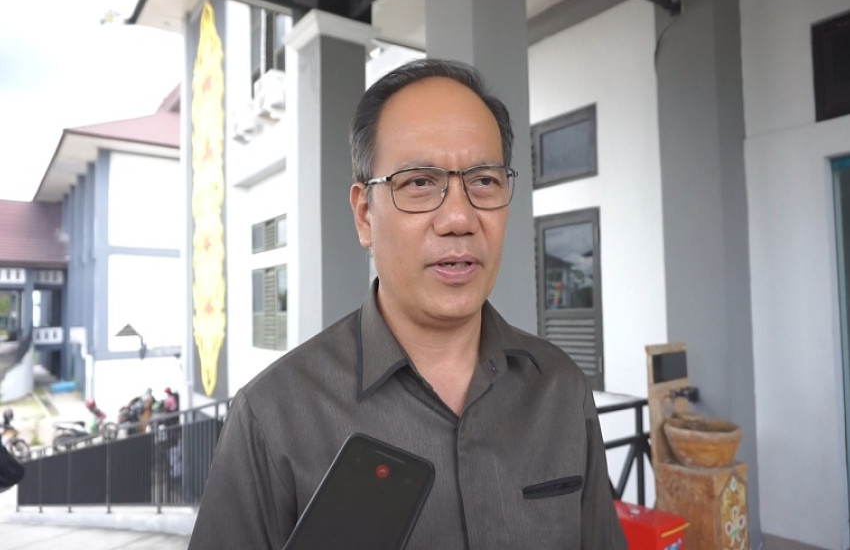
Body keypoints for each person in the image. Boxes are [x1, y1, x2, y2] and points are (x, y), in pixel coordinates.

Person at [189, 58, 626, 549]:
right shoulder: (274, 418)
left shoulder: (560, 390)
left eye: (484, 181)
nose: (459, 219)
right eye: (419, 183)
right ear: (364, 215)